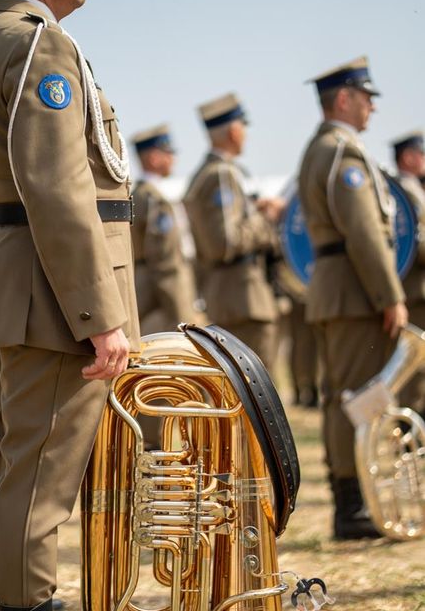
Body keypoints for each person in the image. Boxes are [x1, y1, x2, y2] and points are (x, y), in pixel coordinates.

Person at [0, 0, 140, 611]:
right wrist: (97, 313)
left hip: (18, 278)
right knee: (38, 487)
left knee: (17, 476)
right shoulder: (38, 41)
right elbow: (58, 186)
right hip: (53, 294)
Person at [298, 56, 408, 540]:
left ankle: (352, 501)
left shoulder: (325, 147)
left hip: (340, 289)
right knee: (353, 399)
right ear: (344, 99)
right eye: (366, 98)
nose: (372, 107)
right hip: (353, 291)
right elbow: (364, 233)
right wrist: (390, 295)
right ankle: (352, 506)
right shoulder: (341, 151)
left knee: (343, 397)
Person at [184, 93, 283, 374]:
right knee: (256, 390)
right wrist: (266, 219)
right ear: (234, 131)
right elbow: (226, 242)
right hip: (243, 300)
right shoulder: (221, 174)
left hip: (233, 298)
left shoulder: (210, 173)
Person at [130, 124, 199, 334]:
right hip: (161, 298)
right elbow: (165, 262)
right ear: (153, 158)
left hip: (146, 291)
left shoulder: (139, 194)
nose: (173, 159)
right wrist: (181, 313)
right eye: (168, 153)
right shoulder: (154, 199)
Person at [391, 130, 425, 417]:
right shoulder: (406, 190)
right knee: (414, 367)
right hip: (414, 290)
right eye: (421, 154)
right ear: (408, 157)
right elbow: (411, 242)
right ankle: (410, 422)